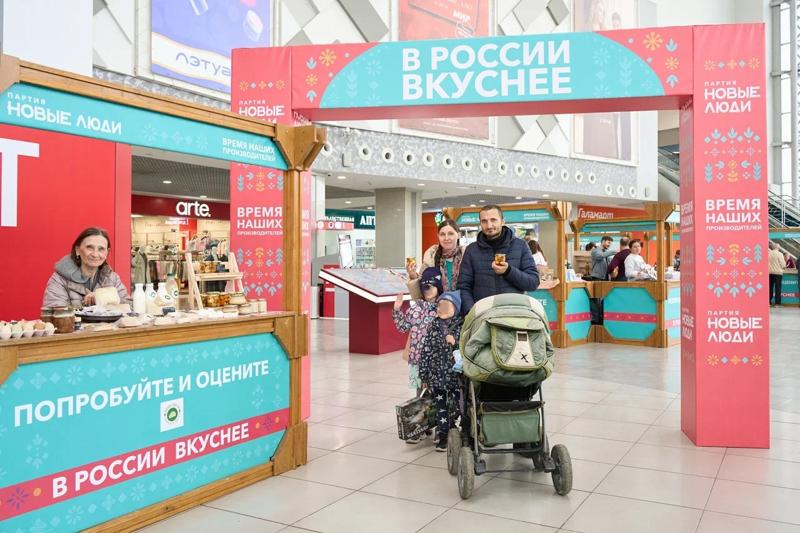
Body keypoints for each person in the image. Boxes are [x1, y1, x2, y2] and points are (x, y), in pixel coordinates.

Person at [457, 205, 540, 315]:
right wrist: (471, 312)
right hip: (483, 317)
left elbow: (533, 282)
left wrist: (508, 271)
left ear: (502, 222)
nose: (489, 225)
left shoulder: (520, 246)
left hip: (514, 315)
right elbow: (463, 286)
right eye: (484, 221)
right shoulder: (471, 250)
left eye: (493, 220)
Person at [418, 291, 463, 452]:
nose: (441, 309)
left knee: (458, 406)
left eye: (446, 306)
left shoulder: (461, 326)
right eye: (439, 305)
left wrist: (455, 342)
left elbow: (467, 349)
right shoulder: (433, 326)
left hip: (456, 378)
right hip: (436, 376)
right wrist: (424, 375)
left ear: (456, 308)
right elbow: (426, 351)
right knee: (440, 407)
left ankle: (456, 430)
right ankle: (443, 436)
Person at [43, 227, 128, 308]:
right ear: (77, 250)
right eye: (89, 248)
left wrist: (102, 297)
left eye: (101, 249)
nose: (95, 254)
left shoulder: (112, 278)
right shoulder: (59, 279)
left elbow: (129, 307)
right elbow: (56, 313)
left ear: (107, 252)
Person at [407, 219, 464, 295]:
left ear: (459, 235)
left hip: (463, 301)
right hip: (436, 302)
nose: (446, 238)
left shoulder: (466, 254)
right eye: (442, 234)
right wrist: (413, 276)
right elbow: (421, 291)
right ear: (438, 236)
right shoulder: (431, 256)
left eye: (450, 234)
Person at [768, 242, 785, 307]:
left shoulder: (769, 253)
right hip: (778, 273)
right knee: (778, 288)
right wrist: (784, 267)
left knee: (770, 288)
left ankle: (768, 302)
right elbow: (783, 265)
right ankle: (777, 303)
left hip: (770, 273)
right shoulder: (780, 254)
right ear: (778, 248)